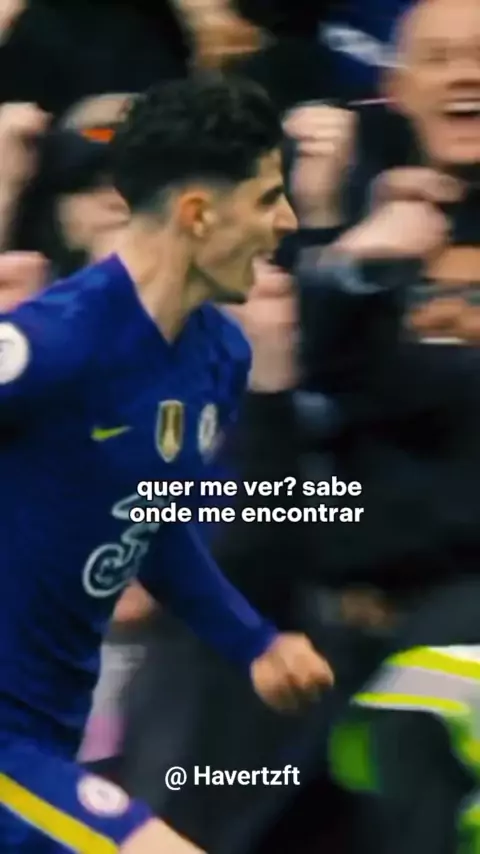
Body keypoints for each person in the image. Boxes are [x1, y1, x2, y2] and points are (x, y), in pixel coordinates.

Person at [0, 72, 335, 854]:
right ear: (197, 213)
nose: (287, 221)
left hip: (51, 732)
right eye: (268, 197)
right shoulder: (54, 342)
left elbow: (152, 525)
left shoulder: (218, 357)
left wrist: (253, 641)